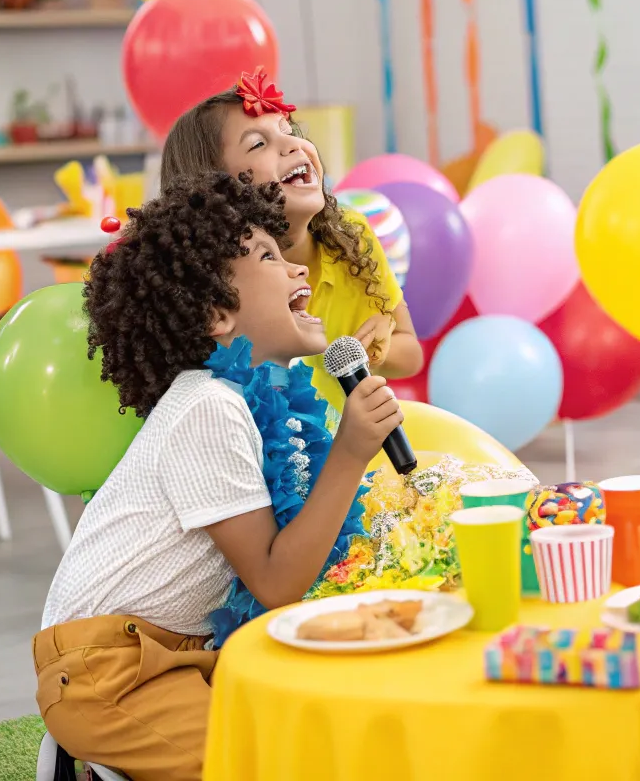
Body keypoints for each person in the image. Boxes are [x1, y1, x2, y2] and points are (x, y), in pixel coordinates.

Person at [33, 173, 402, 781]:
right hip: (107, 672)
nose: (296, 270)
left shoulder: (246, 406)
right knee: (257, 762)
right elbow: (277, 578)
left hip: (178, 659)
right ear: (217, 314)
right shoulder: (208, 407)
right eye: (266, 257)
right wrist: (351, 451)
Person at [159, 68, 423, 413]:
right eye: (259, 143)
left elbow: (411, 354)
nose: (294, 145)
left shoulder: (351, 237)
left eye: (288, 130)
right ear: (213, 187)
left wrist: (374, 350)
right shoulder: (222, 285)